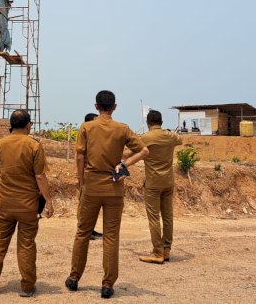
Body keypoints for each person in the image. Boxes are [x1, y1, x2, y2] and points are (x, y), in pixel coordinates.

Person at [66, 90, 149, 299]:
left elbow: (79, 157)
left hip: (91, 186)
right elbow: (144, 151)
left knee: (83, 232)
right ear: (114, 107)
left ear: (96, 106)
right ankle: (107, 285)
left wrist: (81, 181)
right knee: (111, 237)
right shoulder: (122, 129)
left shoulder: (87, 127)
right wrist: (124, 163)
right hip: (114, 188)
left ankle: (74, 278)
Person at [0, 109, 54, 298]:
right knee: (27, 244)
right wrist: (48, 201)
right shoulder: (34, 146)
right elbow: (40, 176)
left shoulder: (0, 144)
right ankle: (27, 287)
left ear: (11, 125)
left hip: (5, 203)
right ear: (28, 125)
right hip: (28, 205)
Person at [131, 110, 183, 264]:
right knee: (168, 217)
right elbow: (180, 139)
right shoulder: (170, 136)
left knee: (154, 218)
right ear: (161, 121)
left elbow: (132, 151)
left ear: (148, 123)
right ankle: (166, 250)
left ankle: (157, 252)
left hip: (153, 182)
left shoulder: (146, 137)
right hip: (168, 181)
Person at [83, 113, 103, 241]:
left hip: (94, 176)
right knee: (85, 206)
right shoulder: (85, 136)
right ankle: (86, 231)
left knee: (92, 207)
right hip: (87, 175)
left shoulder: (94, 138)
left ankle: (91, 229)